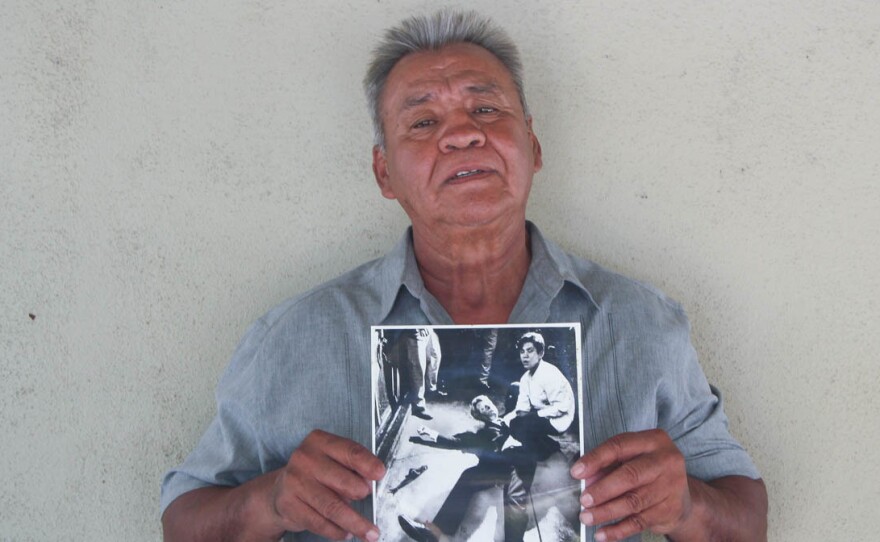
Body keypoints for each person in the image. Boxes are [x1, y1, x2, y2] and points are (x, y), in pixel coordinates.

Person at [161, 10, 768, 542]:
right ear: (384, 173)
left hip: (535, 457)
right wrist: (269, 502)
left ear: (532, 146)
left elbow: (746, 522)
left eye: (486, 108)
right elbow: (182, 522)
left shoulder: (641, 323)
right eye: (423, 123)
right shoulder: (296, 337)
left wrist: (685, 506)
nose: (462, 133)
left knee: (490, 472)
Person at [398, 395, 530, 542]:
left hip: (516, 468)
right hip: (496, 471)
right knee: (468, 476)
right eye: (482, 409)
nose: (488, 408)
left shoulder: (509, 419)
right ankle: (433, 534)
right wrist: (432, 436)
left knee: (515, 508)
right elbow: (455, 442)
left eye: (487, 404)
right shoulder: (482, 434)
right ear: (480, 417)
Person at [509, 332, 576, 461]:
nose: (525, 356)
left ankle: (545, 452)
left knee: (523, 425)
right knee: (515, 425)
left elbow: (562, 407)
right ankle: (548, 446)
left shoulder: (549, 373)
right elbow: (522, 408)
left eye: (530, 351)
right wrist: (520, 418)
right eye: (522, 352)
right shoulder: (525, 378)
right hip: (541, 413)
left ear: (540, 353)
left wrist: (535, 416)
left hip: (560, 418)